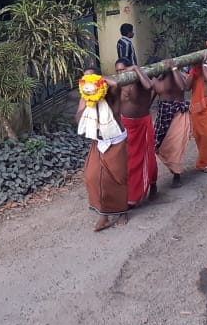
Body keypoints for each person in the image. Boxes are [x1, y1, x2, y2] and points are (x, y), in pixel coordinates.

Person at [76, 64, 129, 231]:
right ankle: (104, 216)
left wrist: (100, 81)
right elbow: (78, 118)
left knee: (117, 178)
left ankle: (122, 212)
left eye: (91, 78)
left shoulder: (111, 93)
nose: (88, 83)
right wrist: (87, 103)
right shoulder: (85, 96)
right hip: (98, 142)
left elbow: (117, 85)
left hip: (116, 141)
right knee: (92, 176)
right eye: (85, 80)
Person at [115, 59, 159, 206]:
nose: (121, 73)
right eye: (118, 71)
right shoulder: (118, 83)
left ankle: (152, 184)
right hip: (126, 126)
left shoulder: (138, 80)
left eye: (123, 69)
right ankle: (131, 194)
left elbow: (149, 85)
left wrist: (135, 69)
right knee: (130, 161)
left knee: (148, 158)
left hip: (142, 124)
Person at [153, 61, 191, 186]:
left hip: (178, 112)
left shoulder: (176, 73)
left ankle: (176, 174)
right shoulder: (155, 80)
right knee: (157, 145)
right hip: (163, 114)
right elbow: (151, 97)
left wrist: (173, 68)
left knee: (176, 145)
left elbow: (183, 87)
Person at [187, 55, 207, 173]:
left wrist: (201, 65)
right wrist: (193, 71)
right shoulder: (193, 71)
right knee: (198, 135)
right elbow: (186, 87)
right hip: (197, 106)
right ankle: (203, 161)